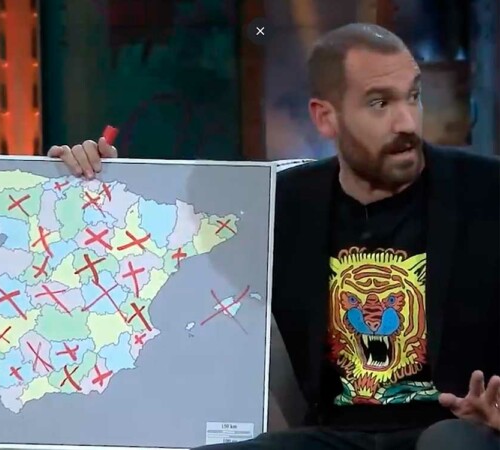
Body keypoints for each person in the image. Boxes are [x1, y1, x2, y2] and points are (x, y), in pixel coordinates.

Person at [48, 23, 500, 450]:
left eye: (413, 96)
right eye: (380, 104)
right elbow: (161, 251)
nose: (407, 122)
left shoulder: (486, 193)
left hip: (455, 429)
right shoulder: (281, 204)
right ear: (325, 118)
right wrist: (99, 188)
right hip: (334, 435)